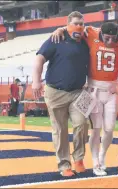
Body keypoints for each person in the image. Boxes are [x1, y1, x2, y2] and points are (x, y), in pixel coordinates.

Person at [51, 22, 118, 176]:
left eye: (113, 38)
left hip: (111, 90)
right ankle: (95, 161)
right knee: (95, 129)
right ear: (101, 33)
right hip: (92, 90)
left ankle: (102, 157)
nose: (109, 41)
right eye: (107, 38)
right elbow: (74, 30)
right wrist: (60, 28)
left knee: (109, 128)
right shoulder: (91, 33)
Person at [32, 11, 89, 177]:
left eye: (81, 23)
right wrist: (36, 81)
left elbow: (101, 32)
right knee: (60, 129)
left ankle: (79, 158)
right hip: (55, 92)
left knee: (82, 124)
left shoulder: (86, 40)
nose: (79, 26)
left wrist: (64, 28)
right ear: (68, 25)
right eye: (76, 23)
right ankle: (64, 164)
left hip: (79, 91)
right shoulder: (56, 38)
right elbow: (39, 59)